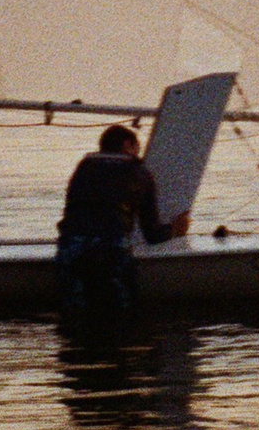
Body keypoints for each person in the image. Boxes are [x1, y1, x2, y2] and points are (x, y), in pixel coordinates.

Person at [55, 124, 188, 310]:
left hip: (71, 246)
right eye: (137, 147)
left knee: (75, 307)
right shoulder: (139, 173)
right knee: (120, 308)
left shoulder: (84, 168)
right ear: (127, 144)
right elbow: (152, 234)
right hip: (110, 248)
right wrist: (174, 229)